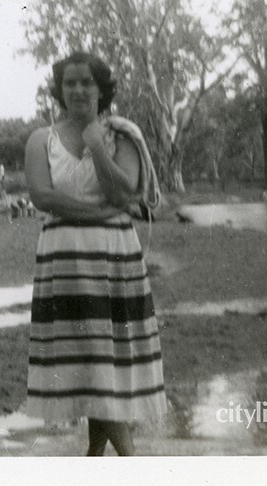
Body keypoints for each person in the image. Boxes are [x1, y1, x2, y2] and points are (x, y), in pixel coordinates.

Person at [23, 51, 167, 456]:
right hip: (63, 261)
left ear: (102, 89)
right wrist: (101, 212)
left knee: (105, 362)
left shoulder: (123, 135)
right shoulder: (41, 138)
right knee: (87, 362)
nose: (78, 89)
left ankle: (115, 459)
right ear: (59, 89)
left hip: (114, 259)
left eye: (87, 82)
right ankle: (112, 458)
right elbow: (43, 196)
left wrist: (97, 147)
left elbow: (127, 192)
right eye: (70, 82)